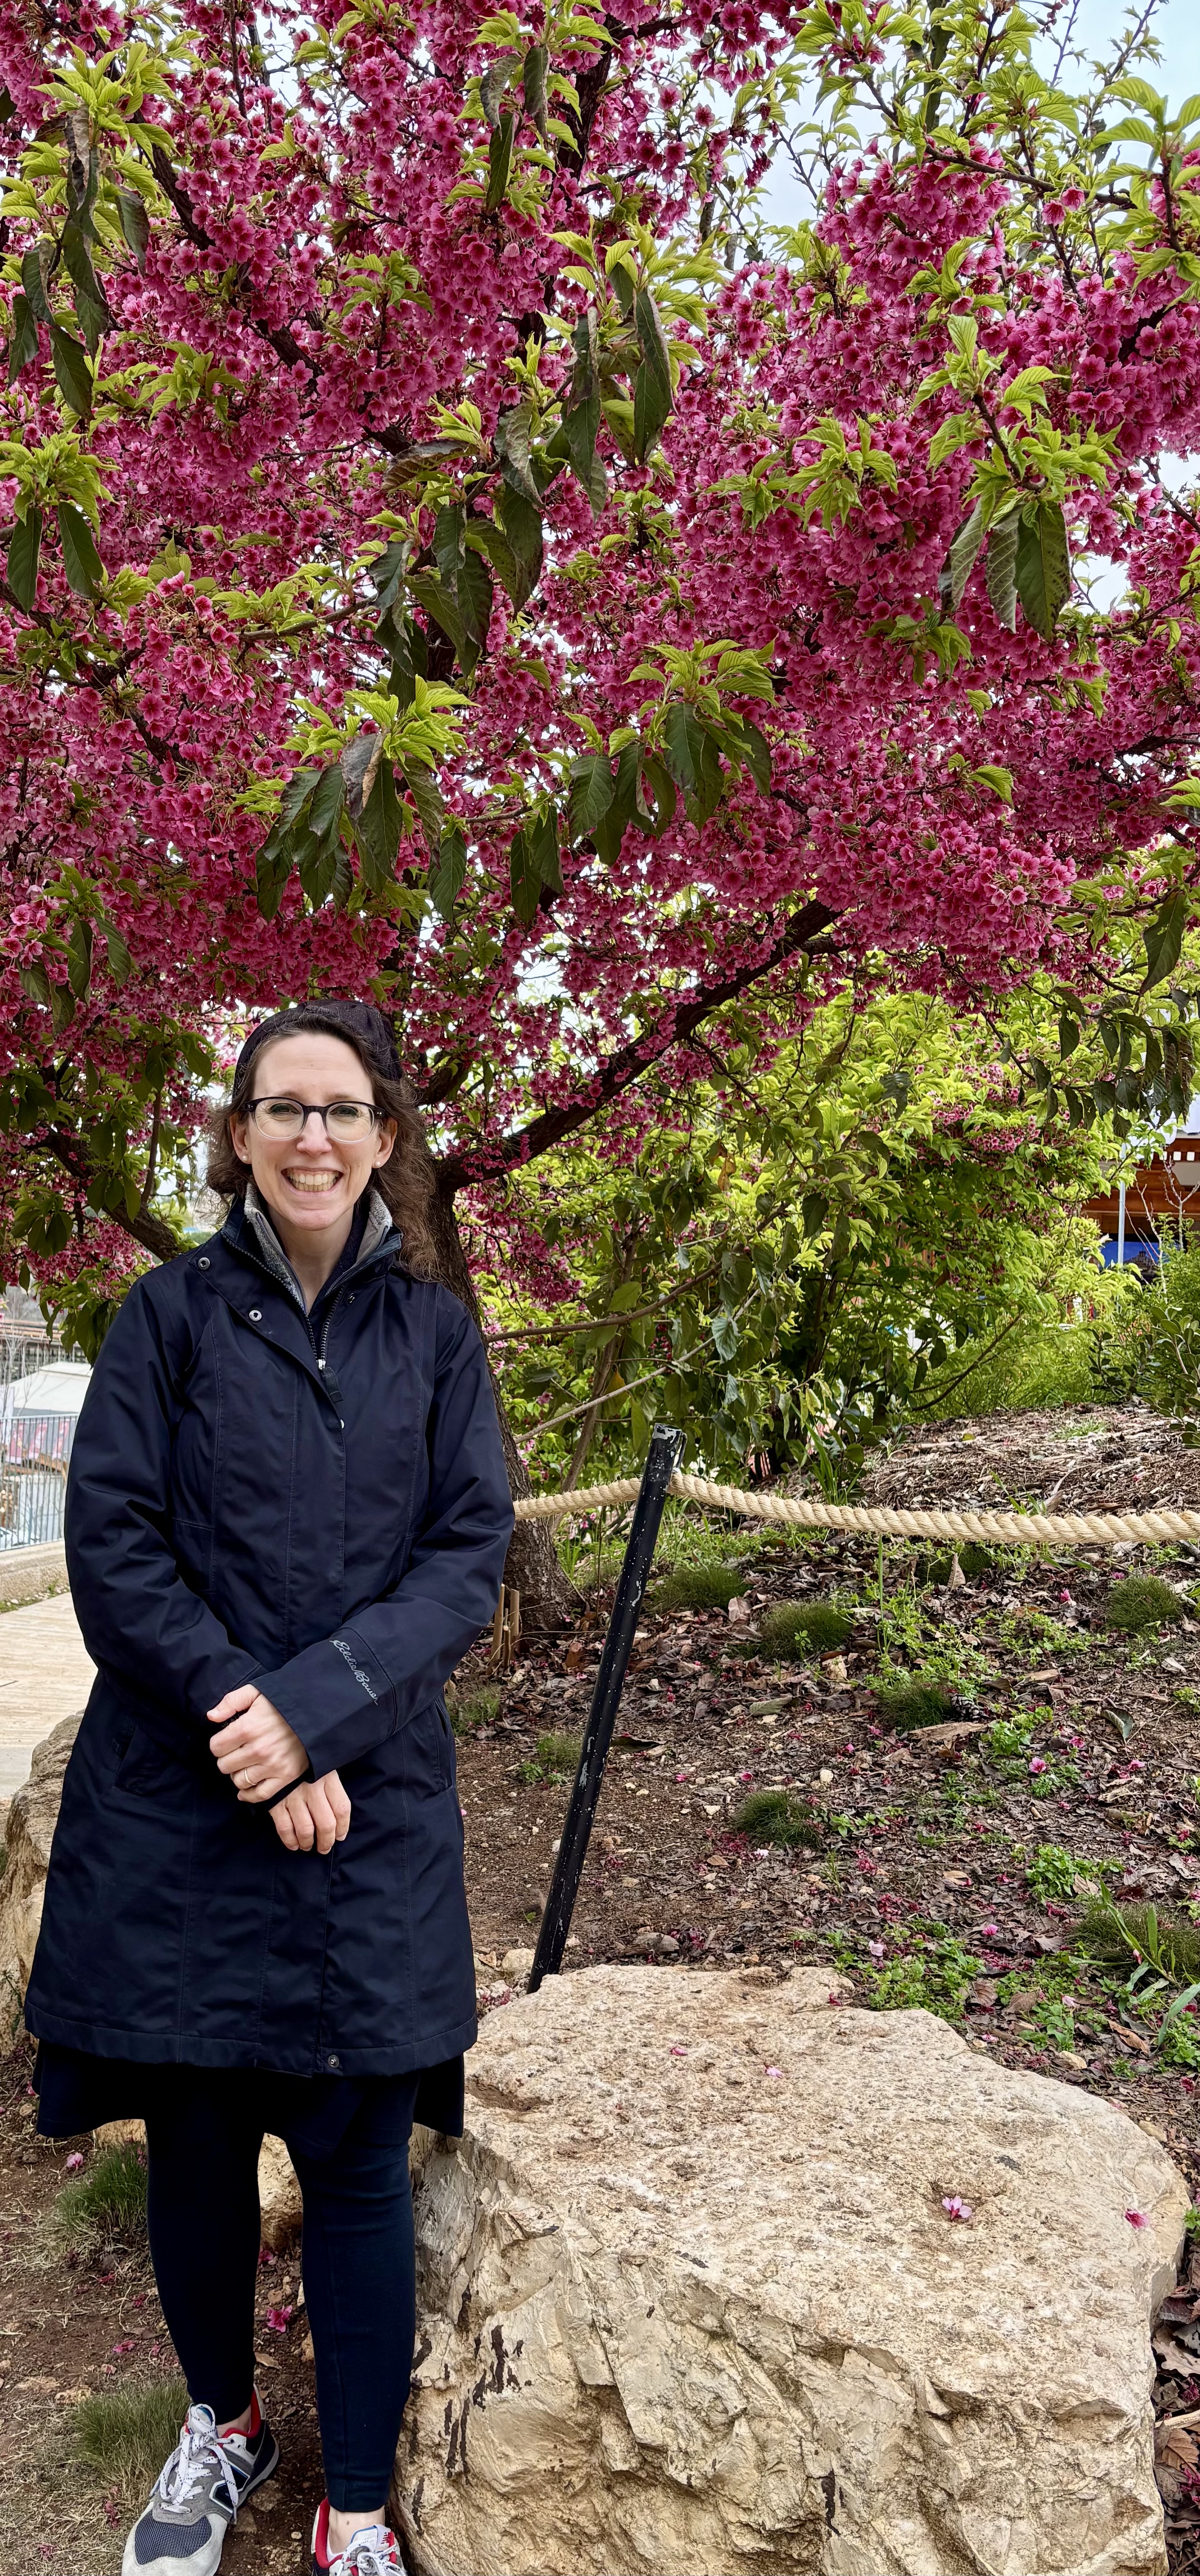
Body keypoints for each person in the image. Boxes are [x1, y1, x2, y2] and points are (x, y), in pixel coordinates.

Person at [25, 1001, 514, 2576]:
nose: (313, 1135)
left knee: (362, 2161)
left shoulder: (438, 1335)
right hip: (183, 1805)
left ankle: (353, 2505)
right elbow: (116, 1552)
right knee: (198, 2143)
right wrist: (254, 1731)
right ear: (238, 1135)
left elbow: (463, 1560)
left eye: (344, 1108)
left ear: (384, 1138)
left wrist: (316, 1720)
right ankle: (226, 2423)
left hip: (365, 1807)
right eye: (282, 1107)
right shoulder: (164, 1319)